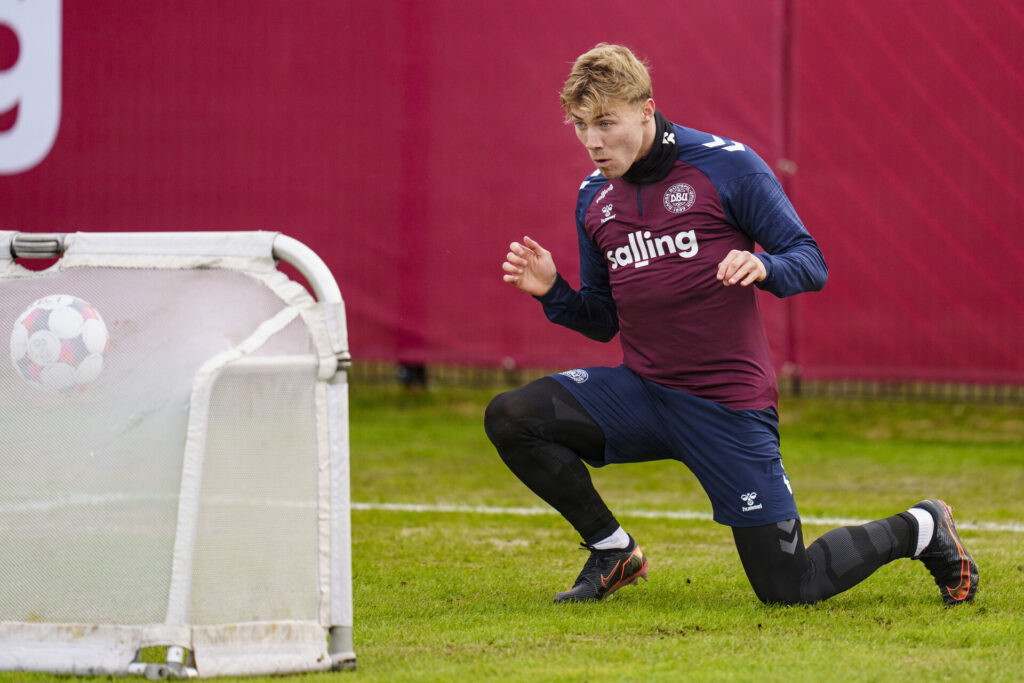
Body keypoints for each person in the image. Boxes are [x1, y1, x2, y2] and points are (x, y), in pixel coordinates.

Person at [483, 43, 978, 606]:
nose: (592, 142)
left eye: (605, 123)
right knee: (512, 416)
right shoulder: (594, 197)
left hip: (725, 405)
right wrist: (553, 292)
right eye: (579, 125)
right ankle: (613, 550)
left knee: (789, 588)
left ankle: (924, 525)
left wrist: (763, 264)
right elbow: (602, 320)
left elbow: (809, 261)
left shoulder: (728, 165)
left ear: (646, 109)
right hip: (643, 393)